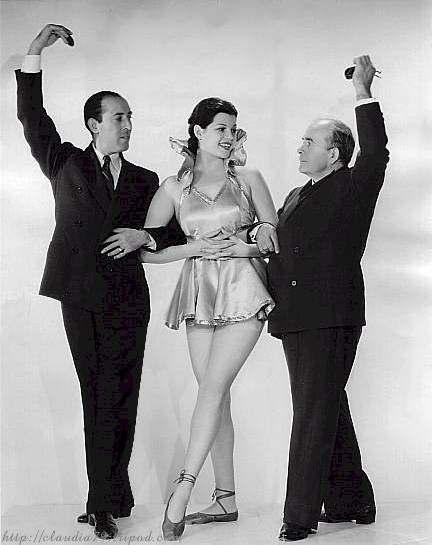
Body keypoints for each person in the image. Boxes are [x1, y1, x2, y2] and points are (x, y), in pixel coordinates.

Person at [16, 24, 184, 540]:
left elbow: (173, 230)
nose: (128, 125)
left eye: (130, 117)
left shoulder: (144, 180)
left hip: (129, 300)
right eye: (119, 117)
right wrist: (34, 54)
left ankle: (113, 495)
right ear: (94, 124)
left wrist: (142, 236)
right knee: (96, 394)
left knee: (123, 396)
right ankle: (101, 503)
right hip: (81, 296)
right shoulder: (64, 161)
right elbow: (32, 118)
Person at [256, 55, 389, 541]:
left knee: (313, 410)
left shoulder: (354, 185)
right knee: (327, 405)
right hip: (296, 316)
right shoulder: (296, 194)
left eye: (309, 142)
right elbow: (282, 246)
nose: (300, 147)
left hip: (331, 315)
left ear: (334, 154)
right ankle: (354, 501)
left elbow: (376, 153)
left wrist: (363, 94)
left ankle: (299, 516)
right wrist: (255, 236)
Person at [139, 97, 278, 540]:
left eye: (233, 129)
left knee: (212, 389)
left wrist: (247, 245)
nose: (229, 136)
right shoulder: (173, 188)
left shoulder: (249, 179)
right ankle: (226, 499)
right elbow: (146, 250)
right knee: (215, 398)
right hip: (198, 294)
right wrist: (194, 248)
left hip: (245, 289)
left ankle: (183, 487)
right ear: (198, 132)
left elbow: (275, 240)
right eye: (220, 128)